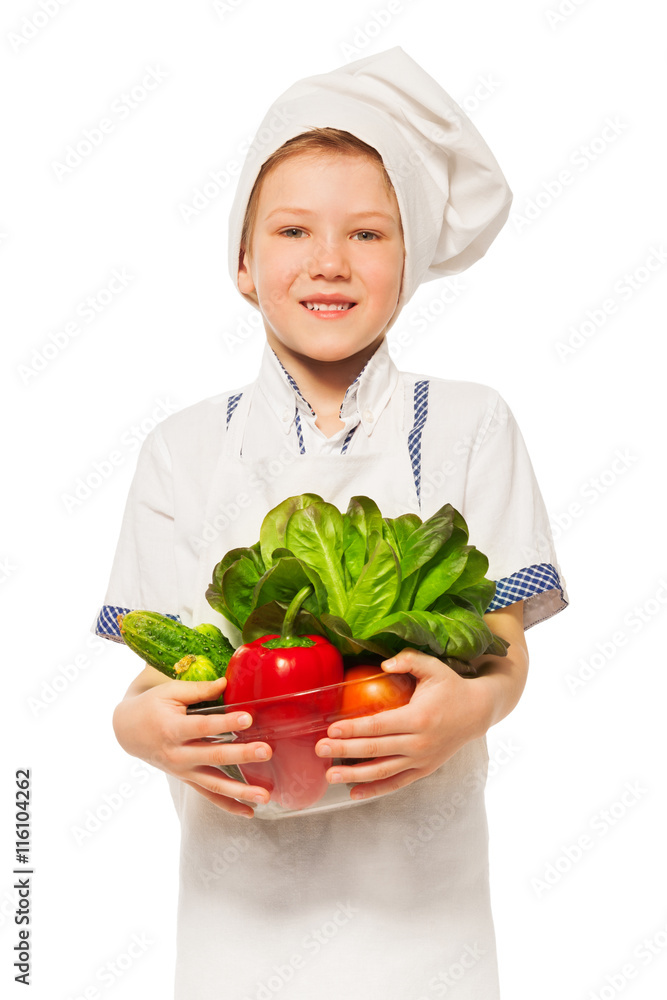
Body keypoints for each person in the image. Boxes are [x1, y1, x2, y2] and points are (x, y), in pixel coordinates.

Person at [95, 47, 567, 1000]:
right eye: (292, 230)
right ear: (240, 261)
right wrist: (133, 729)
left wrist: (469, 707)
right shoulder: (179, 448)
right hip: (238, 907)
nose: (327, 262)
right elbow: (159, 670)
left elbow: (503, 646)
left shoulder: (472, 423)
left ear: (412, 259)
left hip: (425, 909)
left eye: (367, 235)